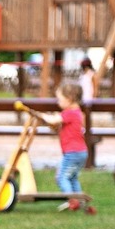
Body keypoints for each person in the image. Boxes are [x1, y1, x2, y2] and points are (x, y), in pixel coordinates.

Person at [30, 83, 89, 211]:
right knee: (72, 177)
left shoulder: (70, 113)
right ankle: (80, 201)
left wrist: (41, 116)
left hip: (73, 152)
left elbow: (53, 120)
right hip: (81, 152)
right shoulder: (77, 112)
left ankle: (72, 201)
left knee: (61, 177)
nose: (58, 102)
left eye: (60, 99)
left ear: (69, 98)